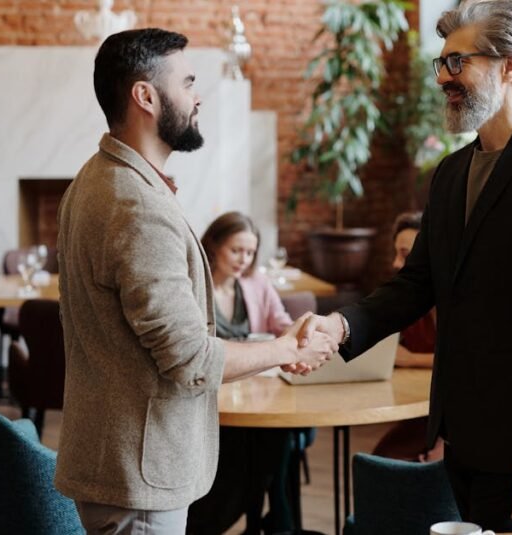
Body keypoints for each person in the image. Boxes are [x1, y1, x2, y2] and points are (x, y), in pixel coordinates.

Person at [299, 1, 512, 532]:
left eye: (457, 62)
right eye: (441, 64)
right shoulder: (450, 174)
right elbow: (416, 284)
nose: (444, 78)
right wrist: (341, 325)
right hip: (462, 436)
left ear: (509, 65)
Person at [54, 28, 334, 535]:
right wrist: (284, 347)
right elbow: (189, 358)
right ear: (146, 96)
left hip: (110, 460)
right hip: (139, 474)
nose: (197, 95)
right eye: (187, 82)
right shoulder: (136, 205)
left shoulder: (94, 181)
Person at [187, 212, 299, 534]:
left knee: (274, 434)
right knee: (259, 447)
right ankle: (265, 516)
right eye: (236, 250)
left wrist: (300, 329)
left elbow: (281, 323)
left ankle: (267, 515)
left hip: (256, 395)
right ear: (214, 245)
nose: (243, 259)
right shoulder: (194, 285)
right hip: (211, 397)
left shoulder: (256, 283)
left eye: (250, 252)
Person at [370, 211, 443, 462]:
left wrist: (411, 359)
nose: (395, 263)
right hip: (422, 415)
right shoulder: (410, 309)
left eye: (403, 254)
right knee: (381, 459)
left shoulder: (460, 305)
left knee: (387, 461)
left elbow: (467, 362)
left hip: (460, 420)